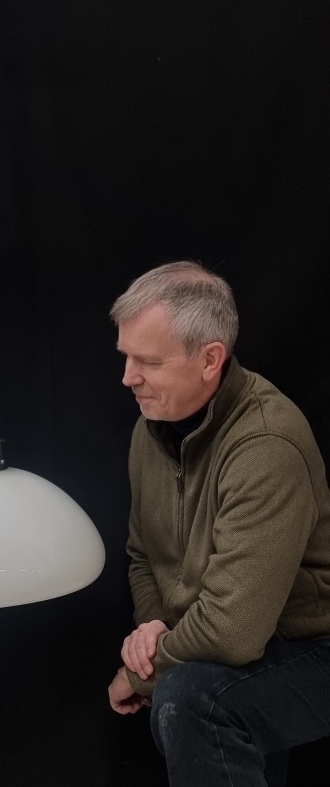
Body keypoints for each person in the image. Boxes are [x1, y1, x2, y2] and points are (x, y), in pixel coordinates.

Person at [107, 261, 330, 787]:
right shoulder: (150, 428)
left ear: (210, 359)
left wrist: (139, 673)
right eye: (126, 356)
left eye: (148, 361)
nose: (128, 377)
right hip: (235, 638)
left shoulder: (266, 444)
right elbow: (143, 555)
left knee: (193, 700)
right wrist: (151, 631)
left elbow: (232, 632)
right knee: (186, 689)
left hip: (312, 644)